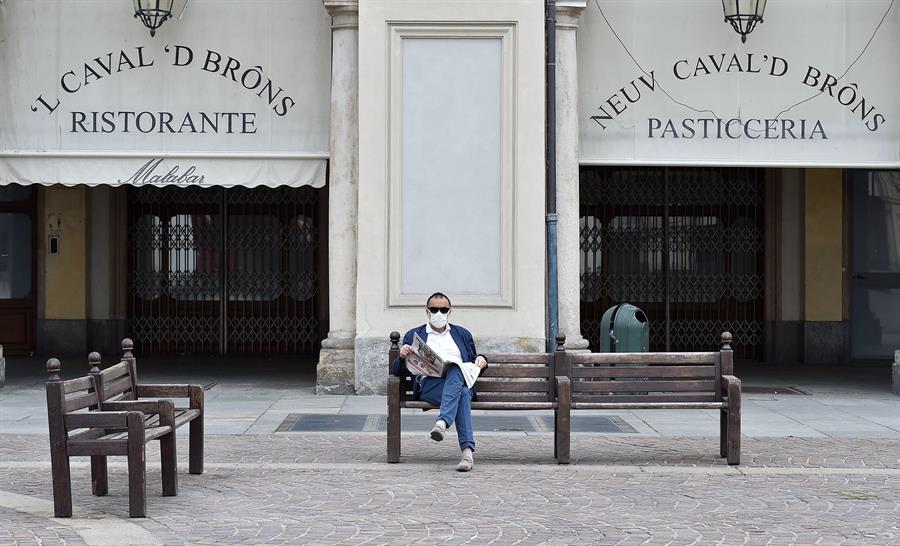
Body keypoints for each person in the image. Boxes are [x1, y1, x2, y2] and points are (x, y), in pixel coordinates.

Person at [390, 292, 488, 472]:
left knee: (457, 371)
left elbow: (474, 361)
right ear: (427, 311)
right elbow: (396, 370)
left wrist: (482, 359)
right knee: (462, 392)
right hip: (430, 386)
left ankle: (443, 425)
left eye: (443, 310)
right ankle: (466, 452)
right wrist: (402, 357)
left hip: (459, 382)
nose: (439, 314)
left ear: (450, 311)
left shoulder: (462, 334)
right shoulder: (414, 335)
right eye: (434, 309)